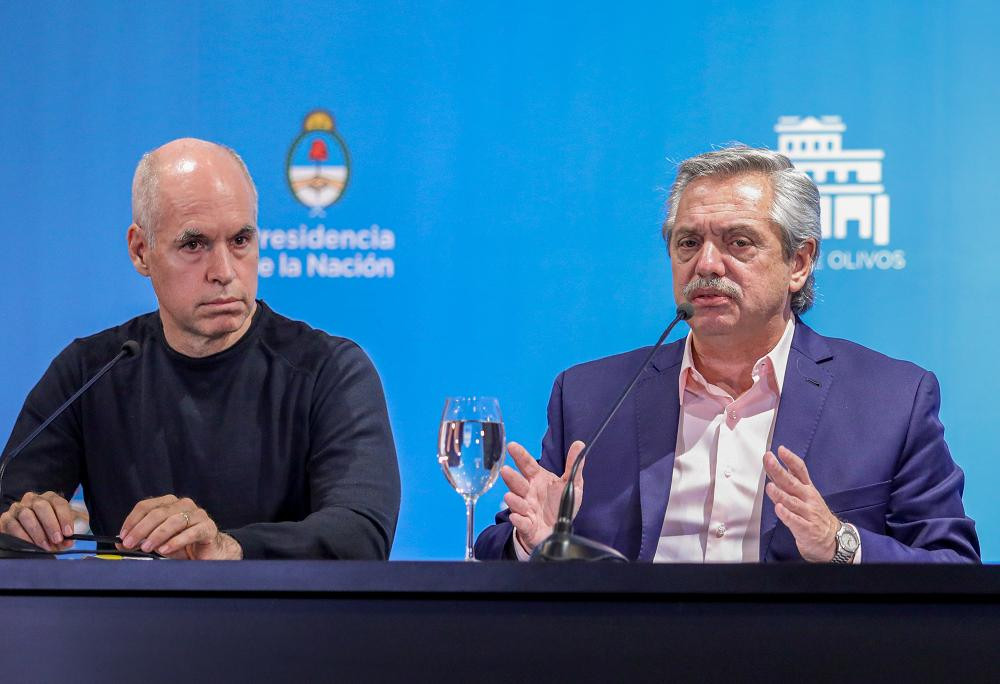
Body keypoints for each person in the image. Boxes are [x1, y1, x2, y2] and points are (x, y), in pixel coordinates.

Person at [475, 145, 979, 563]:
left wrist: (838, 543)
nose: (707, 263)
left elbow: (953, 565)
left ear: (799, 263)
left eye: (739, 242)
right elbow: (498, 552)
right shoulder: (591, 397)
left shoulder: (891, 400)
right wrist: (532, 542)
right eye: (688, 242)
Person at [0, 138, 400, 560]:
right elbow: (10, 510)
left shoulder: (329, 370)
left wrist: (228, 549)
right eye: (194, 245)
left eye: (241, 240)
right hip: (127, 622)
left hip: (283, 622)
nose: (225, 272)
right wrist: (22, 526)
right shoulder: (90, 372)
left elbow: (361, 533)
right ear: (141, 250)